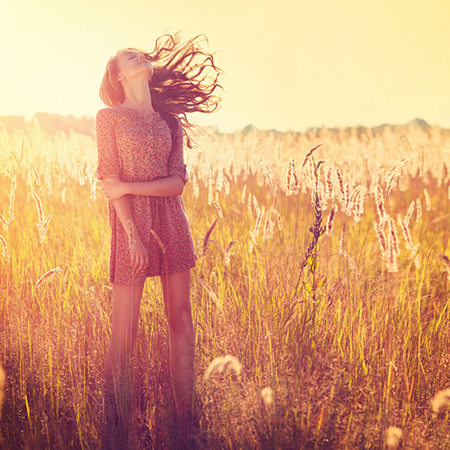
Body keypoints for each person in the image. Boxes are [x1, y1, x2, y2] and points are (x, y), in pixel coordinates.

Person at [96, 33, 222, 439]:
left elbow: (176, 184)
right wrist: (131, 233)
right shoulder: (109, 118)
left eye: (140, 53)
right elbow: (109, 178)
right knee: (125, 330)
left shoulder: (168, 120)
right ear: (118, 75)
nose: (139, 56)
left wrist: (131, 188)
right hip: (130, 224)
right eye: (129, 56)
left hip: (171, 220)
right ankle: (116, 423)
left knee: (180, 319)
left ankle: (186, 418)